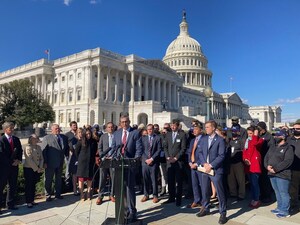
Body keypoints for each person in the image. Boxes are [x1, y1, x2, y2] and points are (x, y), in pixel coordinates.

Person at [110, 114, 142, 223]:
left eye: (126, 122)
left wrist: (136, 158)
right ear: (120, 123)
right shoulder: (117, 133)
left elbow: (139, 148)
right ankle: (122, 211)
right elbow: (114, 148)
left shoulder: (135, 133)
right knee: (120, 189)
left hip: (130, 165)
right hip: (119, 165)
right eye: (122, 122)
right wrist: (112, 156)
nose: (124, 124)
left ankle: (132, 211)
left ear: (129, 121)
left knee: (129, 189)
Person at [196, 120, 228, 224]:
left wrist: (211, 165)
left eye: (208, 127)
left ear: (213, 128)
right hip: (205, 169)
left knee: (219, 192)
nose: (206, 129)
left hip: (216, 170)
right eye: (205, 127)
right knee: (205, 190)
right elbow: (200, 152)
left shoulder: (220, 140)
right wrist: (204, 163)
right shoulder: (204, 139)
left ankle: (223, 213)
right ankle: (205, 208)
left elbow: (221, 155)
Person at [264, 129, 294, 218]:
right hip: (271, 174)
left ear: (283, 137)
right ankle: (279, 208)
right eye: (275, 136)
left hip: (282, 175)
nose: (275, 137)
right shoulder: (273, 146)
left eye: (278, 136)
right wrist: (267, 166)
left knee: (283, 192)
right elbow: (266, 157)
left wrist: (275, 169)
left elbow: (287, 161)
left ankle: (285, 211)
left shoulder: (288, 148)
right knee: (277, 192)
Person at [41, 124, 69, 202]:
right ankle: (48, 195)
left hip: (60, 162)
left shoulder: (64, 137)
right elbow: (44, 151)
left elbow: (65, 149)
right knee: (48, 179)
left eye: (59, 128)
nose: (58, 130)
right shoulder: (47, 138)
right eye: (56, 129)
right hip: (50, 163)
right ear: (52, 130)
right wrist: (45, 162)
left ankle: (58, 194)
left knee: (58, 179)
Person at [163, 119, 187, 207]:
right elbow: (165, 147)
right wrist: (167, 157)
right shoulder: (168, 134)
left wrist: (176, 158)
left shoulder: (182, 135)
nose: (172, 127)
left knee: (179, 181)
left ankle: (179, 199)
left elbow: (183, 148)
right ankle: (171, 197)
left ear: (177, 126)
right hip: (169, 161)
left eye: (174, 125)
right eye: (171, 125)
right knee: (170, 180)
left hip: (178, 161)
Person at [0, 122, 23, 212]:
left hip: (14, 167)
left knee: (12, 186)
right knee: (1, 187)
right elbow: (2, 155)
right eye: (11, 128)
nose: (13, 130)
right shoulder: (1, 140)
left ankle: (10, 204)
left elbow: (20, 151)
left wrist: (18, 160)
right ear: (6, 129)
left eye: (13, 128)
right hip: (4, 168)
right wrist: (11, 162)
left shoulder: (16, 139)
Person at [243, 126, 264, 208]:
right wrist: (245, 159)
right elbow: (244, 151)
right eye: (248, 133)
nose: (249, 135)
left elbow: (255, 144)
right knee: (251, 184)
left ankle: (256, 199)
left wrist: (255, 135)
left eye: (251, 133)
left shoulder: (259, 140)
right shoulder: (247, 141)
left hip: (255, 165)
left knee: (255, 184)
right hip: (248, 165)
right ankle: (253, 198)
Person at [140, 124, 162, 204]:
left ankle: (155, 195)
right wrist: (146, 159)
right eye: (148, 129)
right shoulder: (143, 138)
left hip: (154, 162)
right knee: (145, 179)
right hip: (145, 162)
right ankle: (146, 194)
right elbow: (141, 150)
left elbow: (159, 150)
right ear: (146, 130)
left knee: (154, 179)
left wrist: (152, 159)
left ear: (153, 129)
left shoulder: (157, 138)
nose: (150, 130)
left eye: (151, 129)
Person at [75, 128, 98, 200]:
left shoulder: (93, 141)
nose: (88, 135)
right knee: (81, 179)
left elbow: (94, 151)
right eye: (87, 134)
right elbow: (76, 152)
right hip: (82, 163)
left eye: (89, 134)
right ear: (84, 134)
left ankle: (88, 193)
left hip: (90, 162)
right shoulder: (80, 141)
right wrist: (80, 159)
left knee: (89, 179)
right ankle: (82, 194)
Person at [96, 122, 116, 205]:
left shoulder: (116, 136)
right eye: (109, 127)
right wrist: (102, 156)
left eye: (112, 127)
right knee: (102, 178)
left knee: (113, 178)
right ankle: (100, 196)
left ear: (113, 128)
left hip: (113, 159)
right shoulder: (103, 136)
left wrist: (114, 156)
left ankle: (112, 194)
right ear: (106, 128)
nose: (110, 128)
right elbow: (99, 147)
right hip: (104, 160)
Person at [186, 122, 204, 208]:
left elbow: (204, 154)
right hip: (192, 165)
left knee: (202, 184)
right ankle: (196, 200)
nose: (194, 131)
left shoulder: (204, 139)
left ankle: (204, 201)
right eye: (193, 130)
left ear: (201, 130)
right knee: (195, 184)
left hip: (200, 166)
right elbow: (189, 152)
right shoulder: (193, 140)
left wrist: (197, 163)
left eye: (196, 129)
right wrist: (190, 162)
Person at [23, 134, 44, 208]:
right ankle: (28, 201)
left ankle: (32, 200)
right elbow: (29, 160)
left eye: (37, 138)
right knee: (29, 185)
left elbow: (41, 158)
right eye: (35, 138)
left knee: (33, 185)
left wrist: (40, 167)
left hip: (37, 169)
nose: (37, 139)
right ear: (31, 139)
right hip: (29, 169)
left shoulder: (38, 147)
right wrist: (36, 168)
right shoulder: (28, 147)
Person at [257, 121, 275, 203]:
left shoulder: (269, 136)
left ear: (263, 129)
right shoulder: (258, 136)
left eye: (260, 129)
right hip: (259, 160)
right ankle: (261, 194)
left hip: (266, 159)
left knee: (266, 179)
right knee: (260, 179)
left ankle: (267, 196)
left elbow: (271, 148)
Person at [227, 127, 245, 200]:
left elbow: (243, 150)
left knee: (240, 179)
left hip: (238, 162)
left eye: (235, 131)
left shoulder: (241, 140)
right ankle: (233, 193)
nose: (233, 133)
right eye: (232, 131)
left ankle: (241, 194)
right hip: (230, 162)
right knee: (231, 179)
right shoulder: (229, 141)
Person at [287, 119, 300, 212]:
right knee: (293, 188)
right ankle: (294, 204)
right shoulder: (289, 139)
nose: (296, 130)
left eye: (298, 129)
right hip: (292, 167)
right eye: (294, 128)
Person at [65, 121, 78, 195]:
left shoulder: (78, 133)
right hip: (71, 155)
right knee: (69, 170)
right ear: (70, 126)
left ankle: (77, 187)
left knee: (77, 172)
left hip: (78, 155)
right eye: (73, 126)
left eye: (76, 125)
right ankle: (69, 185)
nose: (75, 127)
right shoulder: (67, 135)